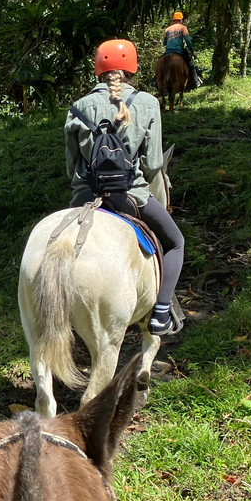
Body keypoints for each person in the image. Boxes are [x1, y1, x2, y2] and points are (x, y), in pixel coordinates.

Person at [64, 39, 184, 335]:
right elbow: (155, 164)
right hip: (131, 197)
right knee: (176, 243)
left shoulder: (78, 108)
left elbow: (71, 168)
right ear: (132, 68)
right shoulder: (147, 103)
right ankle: (161, 312)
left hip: (85, 196)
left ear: (98, 70)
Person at [163, 11, 202, 88]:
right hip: (179, 50)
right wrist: (193, 51)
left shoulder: (167, 30)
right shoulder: (183, 28)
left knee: (160, 63)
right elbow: (188, 41)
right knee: (191, 64)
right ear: (181, 20)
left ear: (173, 20)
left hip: (168, 51)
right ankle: (196, 80)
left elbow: (164, 43)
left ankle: (154, 80)